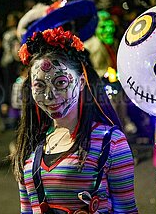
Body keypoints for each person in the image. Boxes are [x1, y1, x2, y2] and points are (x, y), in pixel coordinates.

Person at [11, 27, 138, 213]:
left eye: (61, 82)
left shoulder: (110, 142)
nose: (49, 95)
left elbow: (127, 211)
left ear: (80, 83)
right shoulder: (31, 145)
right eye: (39, 85)